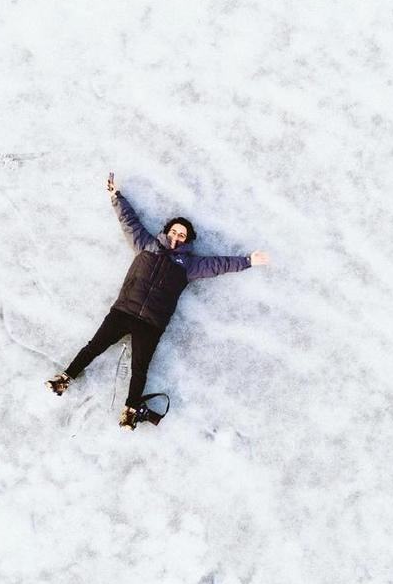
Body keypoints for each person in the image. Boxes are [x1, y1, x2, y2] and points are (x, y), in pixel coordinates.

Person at [46, 173, 270, 430]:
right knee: (93, 347)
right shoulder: (146, 245)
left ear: (188, 239)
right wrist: (115, 197)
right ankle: (66, 377)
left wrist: (248, 260)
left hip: (151, 323)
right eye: (174, 230)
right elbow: (129, 222)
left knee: (139, 368)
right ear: (167, 231)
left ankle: (130, 410)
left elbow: (219, 264)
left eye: (182, 234)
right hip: (123, 311)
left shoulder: (190, 265)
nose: (177, 235)